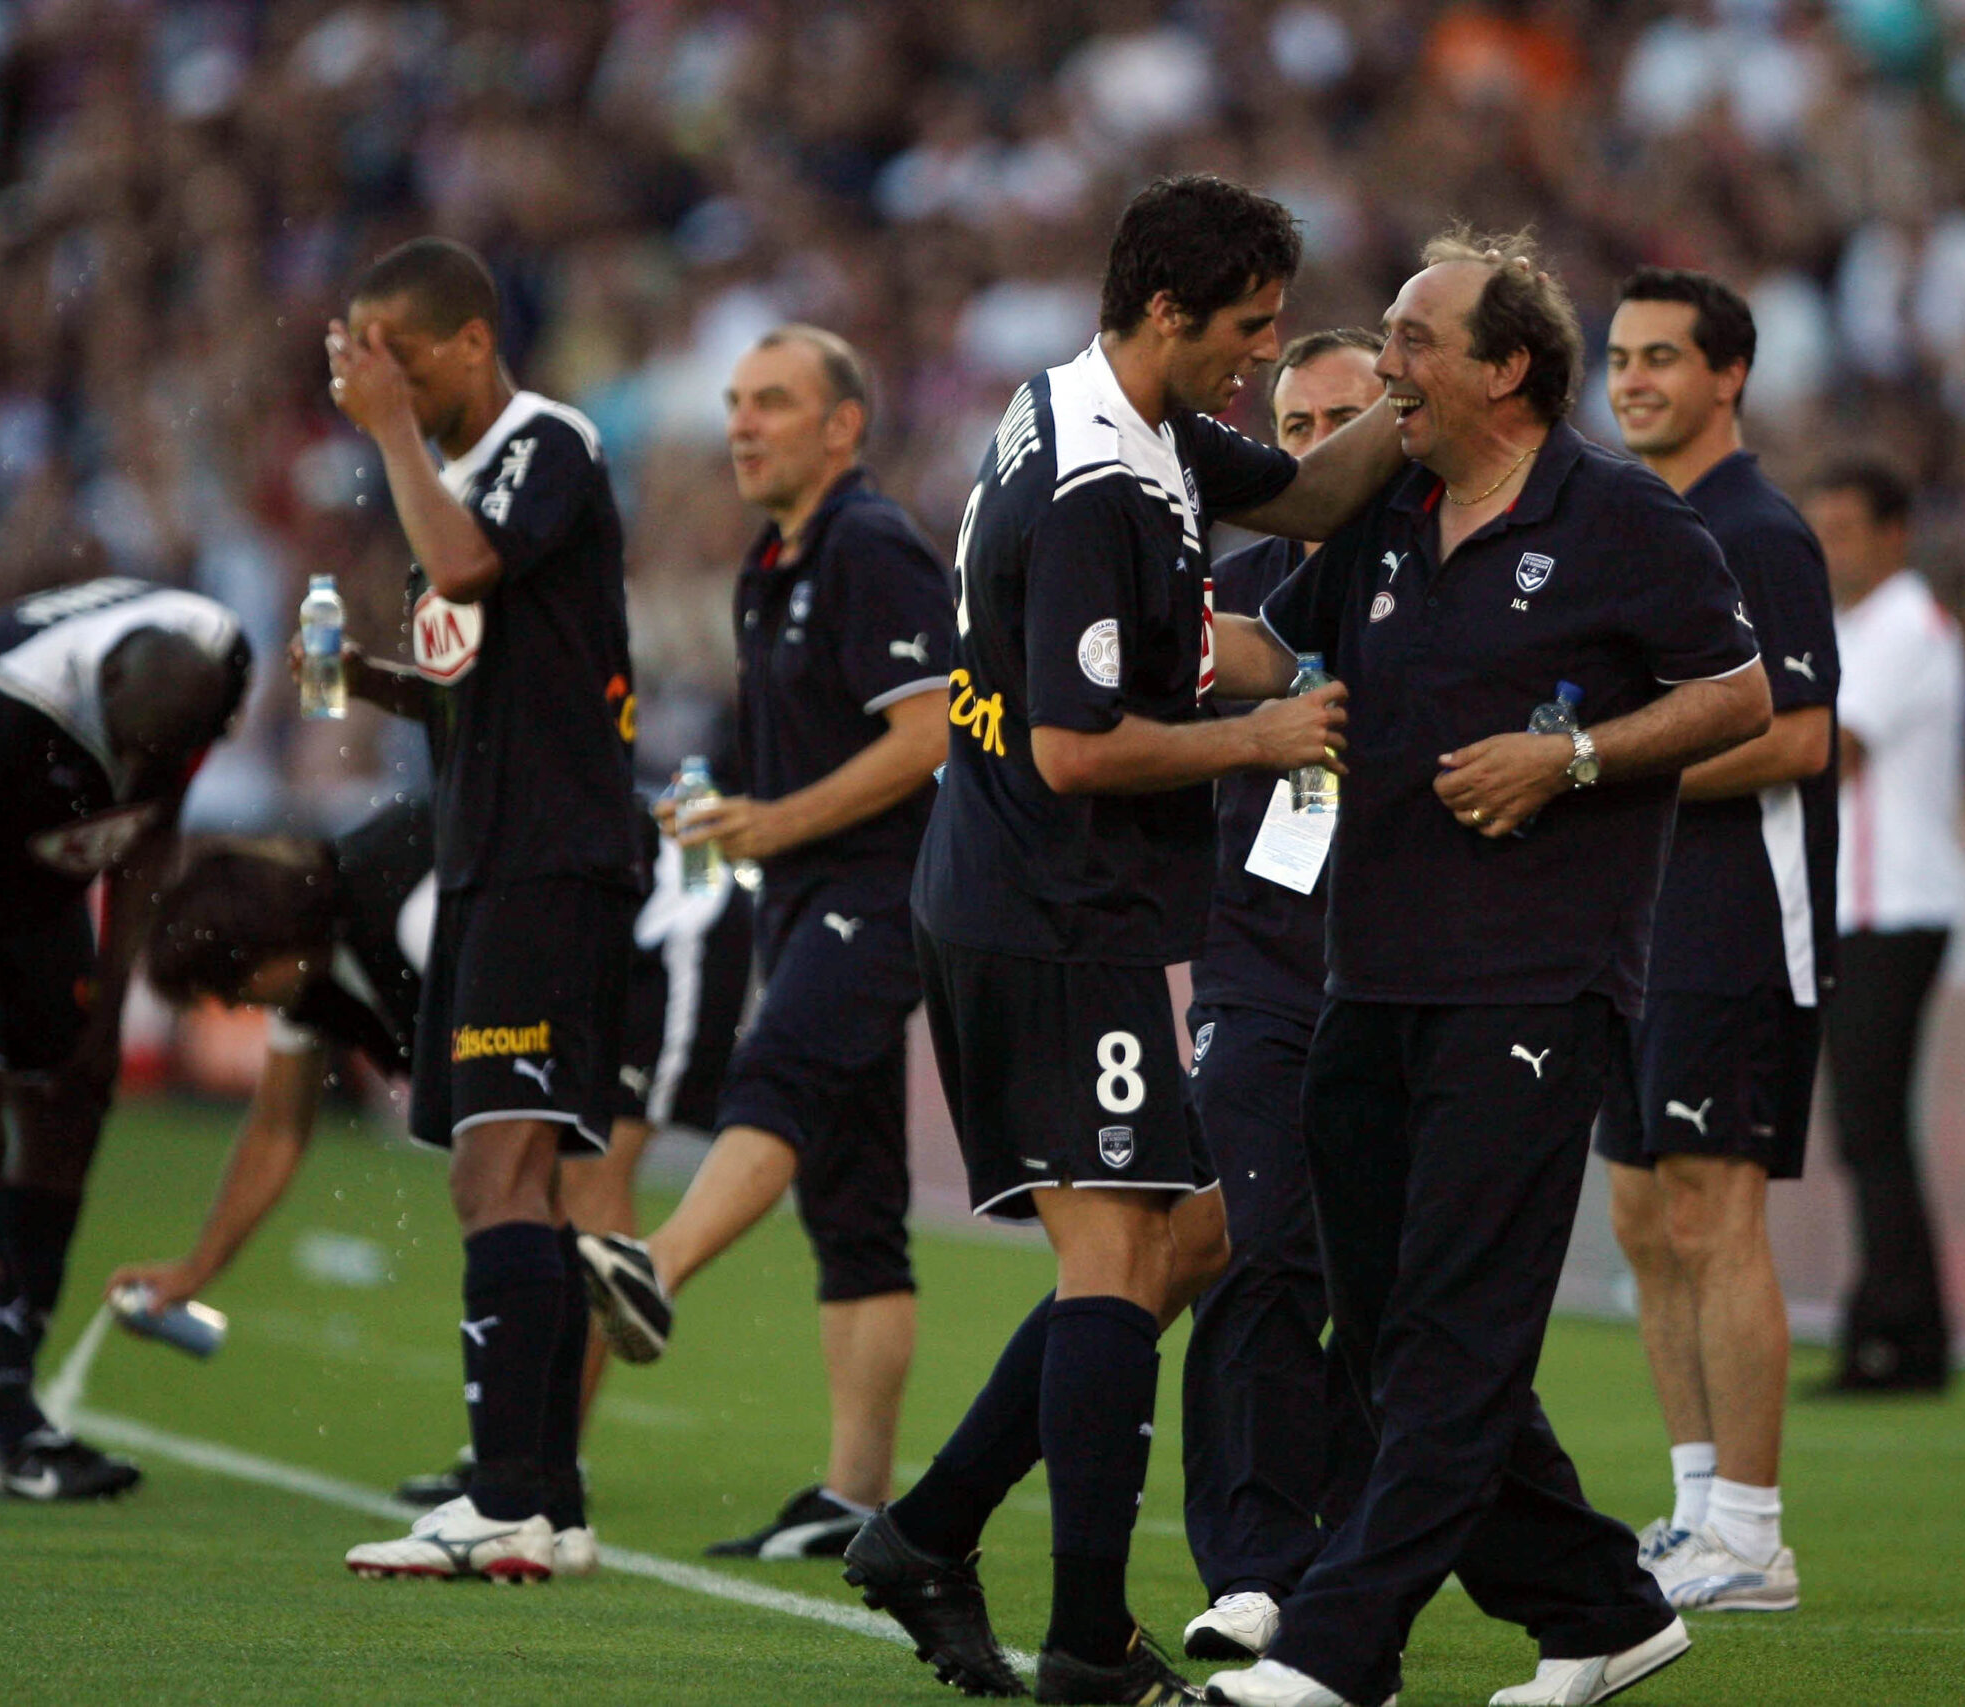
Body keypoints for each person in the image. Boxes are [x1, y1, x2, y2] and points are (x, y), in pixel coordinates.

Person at [841, 174, 1403, 1705]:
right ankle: (1089, 1632)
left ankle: (931, 1530)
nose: (1258, 358)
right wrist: (1265, 730)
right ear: (1170, 310)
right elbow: (1080, 746)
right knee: (1121, 1253)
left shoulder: (1106, 406)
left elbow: (1295, 497)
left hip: (1036, 897)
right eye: (1248, 330)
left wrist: (1416, 395)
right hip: (1044, 903)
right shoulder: (1095, 481)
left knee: (1193, 1235)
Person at [1204, 230, 1769, 1707]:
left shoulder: (1622, 520)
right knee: (1394, 1331)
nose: (1382, 360)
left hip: (1534, 983)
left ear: (1504, 366)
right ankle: (1598, 1605)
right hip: (1368, 974)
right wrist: (1098, 621)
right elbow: (1273, 652)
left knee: (1454, 1330)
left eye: (1410, 336)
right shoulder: (1390, 510)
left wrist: (1571, 754)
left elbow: (1740, 694)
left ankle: (1338, 1644)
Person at [104, 792, 752, 1553]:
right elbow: (277, 1128)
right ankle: (527, 1463)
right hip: (571, 940)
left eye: (227, 984)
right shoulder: (310, 965)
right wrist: (196, 1266)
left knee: (581, 1175)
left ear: (263, 949)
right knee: (523, 1181)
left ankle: (540, 1467)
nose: (228, 1006)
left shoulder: (402, 911)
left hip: (662, 916)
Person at [575, 323, 954, 1563]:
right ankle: (855, 1497)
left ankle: (655, 1265)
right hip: (798, 891)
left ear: (844, 425)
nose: (741, 423)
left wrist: (774, 822)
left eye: (774, 403)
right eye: (736, 402)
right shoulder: (772, 560)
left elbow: (928, 736)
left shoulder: (873, 546)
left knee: (775, 1078)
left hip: (879, 889)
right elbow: (787, 749)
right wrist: (714, 814)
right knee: (856, 1208)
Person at [324, 235, 645, 1582]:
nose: (369, 380)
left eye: (389, 355)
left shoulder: (540, 441)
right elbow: (482, 661)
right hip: (492, 853)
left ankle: (502, 1495)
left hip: (544, 857)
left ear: (464, 340)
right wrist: (382, 683)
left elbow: (460, 572)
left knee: (494, 1172)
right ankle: (551, 1504)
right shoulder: (461, 482)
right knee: (503, 1167)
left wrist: (392, 434)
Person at [1592, 268, 1838, 1613]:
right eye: (1619, 358)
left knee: (1712, 1207)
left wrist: (1601, 768)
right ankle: (1694, 1510)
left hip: (1739, 920)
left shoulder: (1755, 525)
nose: (1632, 380)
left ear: (1728, 375)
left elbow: (1798, 733)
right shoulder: (1652, 521)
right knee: (1643, 1212)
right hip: (1638, 923)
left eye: (1662, 359)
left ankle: (1754, 1529)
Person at [0, 577, 249, 1502]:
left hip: (46, 869)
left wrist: (110, 1016)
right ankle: (13, 1419)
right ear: (103, 702)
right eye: (140, 748)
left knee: (72, 1100)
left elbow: (150, 836)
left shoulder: (216, 659)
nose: (153, 764)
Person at [1178, 328, 1384, 1663]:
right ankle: (1252, 1563)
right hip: (1256, 970)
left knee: (1390, 1290)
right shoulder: (1233, 591)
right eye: (1295, 426)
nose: (1313, 447)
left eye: (1341, 421)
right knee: (1251, 1259)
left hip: (1409, 981)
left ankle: (1354, 1553)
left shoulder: (1446, 579)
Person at [1803, 459, 1965, 1394]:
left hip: (1893, 903)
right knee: (1868, 1126)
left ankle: (1898, 1335)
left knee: (1870, 1125)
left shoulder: (1906, 622)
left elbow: (1837, 744)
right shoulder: (1859, 624)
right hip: (1862, 906)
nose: (1831, 548)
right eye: (1821, 527)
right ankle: (1903, 1327)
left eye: (1848, 528)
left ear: (1896, 533)